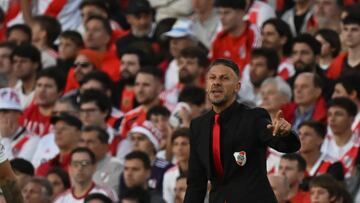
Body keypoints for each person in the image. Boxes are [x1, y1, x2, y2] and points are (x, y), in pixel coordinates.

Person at [184, 58, 300, 202]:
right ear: (206, 85)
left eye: (224, 78)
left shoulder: (254, 117)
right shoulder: (198, 126)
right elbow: (196, 183)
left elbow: (285, 145)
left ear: (237, 87)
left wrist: (285, 134)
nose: (217, 82)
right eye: (212, 78)